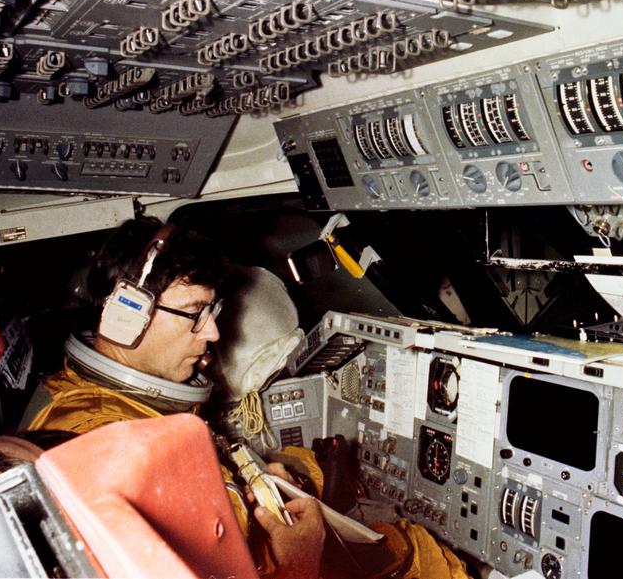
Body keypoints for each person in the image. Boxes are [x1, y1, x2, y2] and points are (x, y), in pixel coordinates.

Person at [25, 217, 469, 579]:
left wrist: (259, 475)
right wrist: (297, 563)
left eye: (212, 312)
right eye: (195, 313)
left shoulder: (109, 404)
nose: (213, 333)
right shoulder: (100, 439)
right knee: (413, 550)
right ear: (127, 314)